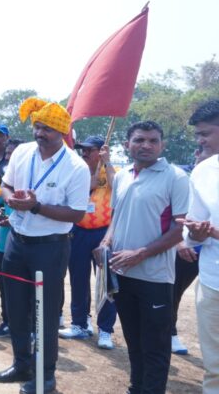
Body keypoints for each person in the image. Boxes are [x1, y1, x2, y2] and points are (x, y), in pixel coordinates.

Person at [0, 97, 90, 394]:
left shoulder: (76, 167)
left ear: (62, 133)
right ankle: (21, 364)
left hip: (50, 247)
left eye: (47, 129)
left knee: (44, 312)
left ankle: (45, 375)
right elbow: (6, 185)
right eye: (37, 126)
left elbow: (76, 213)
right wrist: (9, 199)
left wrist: (36, 207)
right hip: (17, 243)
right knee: (16, 308)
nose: (40, 133)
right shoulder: (22, 152)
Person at [93, 120, 190, 394]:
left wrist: (141, 253)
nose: (146, 145)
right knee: (133, 340)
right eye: (139, 140)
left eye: (152, 140)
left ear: (162, 145)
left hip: (155, 277)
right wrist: (106, 241)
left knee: (155, 345)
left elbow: (180, 227)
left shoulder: (176, 177)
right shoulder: (122, 175)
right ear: (127, 145)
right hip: (121, 274)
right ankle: (136, 388)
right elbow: (116, 217)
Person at [58, 135, 118, 350]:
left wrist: (107, 162)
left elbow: (117, 188)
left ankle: (105, 329)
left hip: (104, 233)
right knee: (78, 279)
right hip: (78, 231)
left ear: (100, 151)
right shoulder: (76, 171)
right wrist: (87, 184)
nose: (84, 153)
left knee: (105, 283)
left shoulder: (111, 171)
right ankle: (80, 324)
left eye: (89, 150)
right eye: (82, 149)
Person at [182, 99, 219, 393]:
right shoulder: (203, 172)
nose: (200, 140)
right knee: (215, 366)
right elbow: (194, 233)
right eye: (198, 134)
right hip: (212, 282)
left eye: (205, 133)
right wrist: (195, 233)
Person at [171, 146, 210, 355]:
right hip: (187, 248)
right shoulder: (182, 177)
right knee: (174, 292)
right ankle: (170, 332)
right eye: (202, 150)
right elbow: (172, 215)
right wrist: (179, 243)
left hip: (210, 250)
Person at [0, 137, 24, 338]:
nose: (10, 157)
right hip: (3, 243)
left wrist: (12, 221)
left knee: (22, 289)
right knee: (5, 287)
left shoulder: (33, 179)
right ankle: (7, 322)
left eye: (14, 153)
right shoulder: (5, 179)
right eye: (8, 153)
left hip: (24, 244)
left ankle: (26, 327)